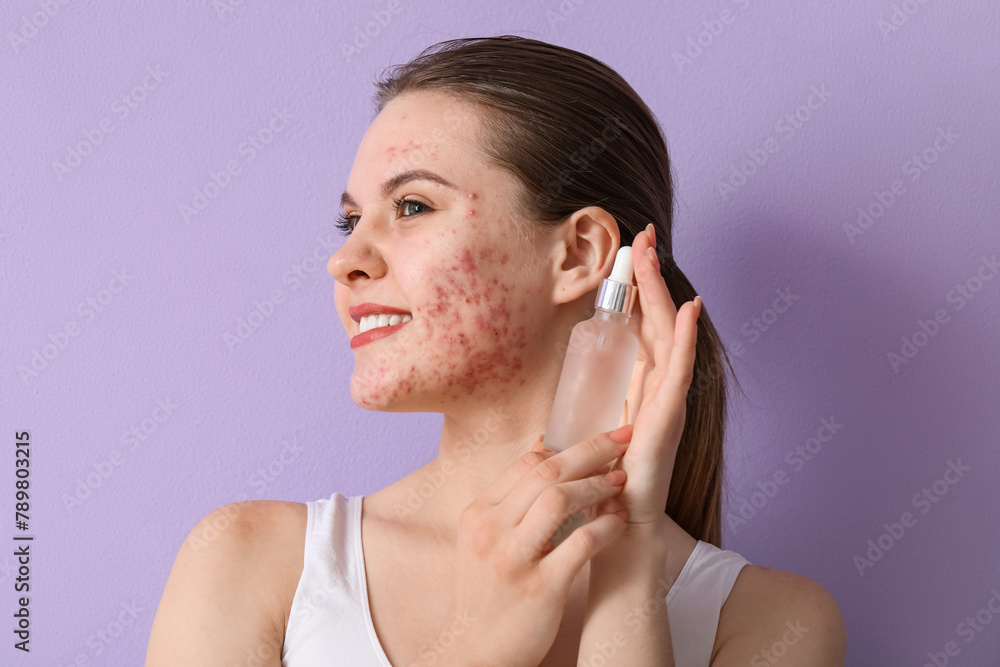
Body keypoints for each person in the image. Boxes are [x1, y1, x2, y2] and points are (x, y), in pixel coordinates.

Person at [146, 35, 846, 666]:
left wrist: (626, 554)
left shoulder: (767, 620)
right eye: (352, 219)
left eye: (412, 206)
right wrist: (476, 644)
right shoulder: (250, 562)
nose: (345, 259)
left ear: (578, 252)